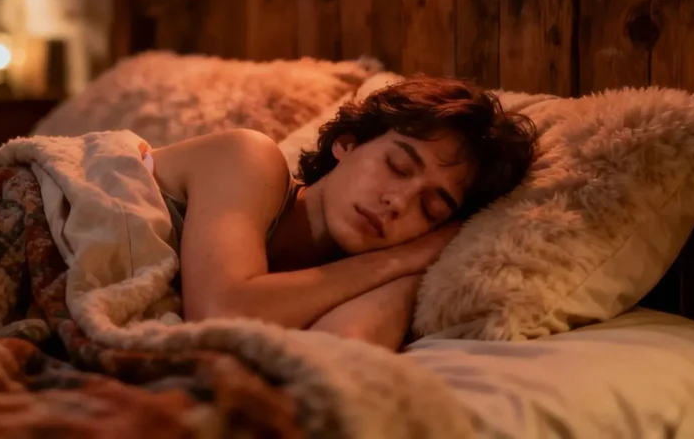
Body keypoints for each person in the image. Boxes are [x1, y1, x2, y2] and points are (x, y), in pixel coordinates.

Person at [149, 77, 536, 350]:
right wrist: (401, 258)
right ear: (347, 144)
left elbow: (337, 353)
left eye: (430, 208)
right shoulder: (249, 157)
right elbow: (219, 316)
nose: (399, 202)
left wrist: (414, 271)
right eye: (397, 166)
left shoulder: (358, 276)